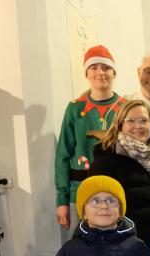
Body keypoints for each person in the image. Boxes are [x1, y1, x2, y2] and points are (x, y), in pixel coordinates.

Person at [90, 100, 150, 252]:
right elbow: (96, 208)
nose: (138, 126)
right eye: (130, 120)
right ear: (120, 125)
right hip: (125, 245)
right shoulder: (106, 160)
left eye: (144, 121)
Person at [54, 45, 126, 230]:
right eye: (94, 67)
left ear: (114, 72)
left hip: (116, 191)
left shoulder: (126, 108)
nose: (100, 72)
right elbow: (63, 155)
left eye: (106, 67)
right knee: (81, 252)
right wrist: (62, 199)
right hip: (80, 191)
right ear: (87, 73)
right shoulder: (75, 109)